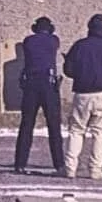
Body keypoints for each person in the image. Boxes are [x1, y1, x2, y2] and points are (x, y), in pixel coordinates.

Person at [61, 14, 102, 180]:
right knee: (100, 133)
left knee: (76, 131)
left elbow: (68, 71)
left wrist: (78, 71)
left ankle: (70, 167)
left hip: (82, 93)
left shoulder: (79, 46)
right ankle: (95, 169)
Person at [13, 17, 66, 176]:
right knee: (54, 127)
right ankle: (59, 164)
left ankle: (20, 163)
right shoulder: (53, 40)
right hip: (48, 85)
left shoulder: (28, 41)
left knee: (26, 125)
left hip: (31, 84)